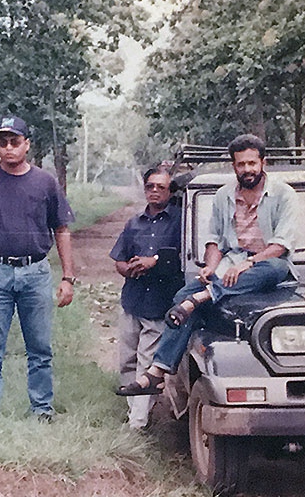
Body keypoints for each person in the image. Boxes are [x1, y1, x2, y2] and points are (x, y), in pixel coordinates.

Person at [117, 133, 299, 396]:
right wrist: (210, 268)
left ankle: (204, 297)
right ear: (233, 166)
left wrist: (248, 264)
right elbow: (214, 241)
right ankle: (158, 371)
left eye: (252, 163)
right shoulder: (224, 195)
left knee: (275, 267)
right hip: (230, 267)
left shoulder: (284, 194)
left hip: (268, 269)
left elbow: (280, 246)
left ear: (263, 163)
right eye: (241, 164)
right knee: (182, 298)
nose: (247, 169)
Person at [0, 116, 76, 423]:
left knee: (39, 347)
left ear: (27, 145)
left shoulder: (45, 182)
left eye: (14, 142)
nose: (8, 148)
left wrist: (67, 277)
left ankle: (42, 410)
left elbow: (61, 230)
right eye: (2, 143)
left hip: (35, 273)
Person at [109, 167, 184, 428]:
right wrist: (128, 268)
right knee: (127, 359)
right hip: (133, 299)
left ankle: (138, 423)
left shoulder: (182, 221)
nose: (154, 191)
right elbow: (118, 258)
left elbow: (183, 257)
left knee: (147, 360)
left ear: (170, 191)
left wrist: (153, 261)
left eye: (161, 187)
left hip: (161, 302)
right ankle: (137, 412)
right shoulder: (134, 223)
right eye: (150, 186)